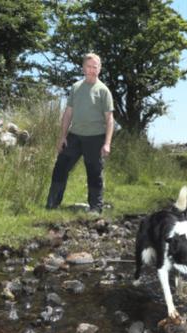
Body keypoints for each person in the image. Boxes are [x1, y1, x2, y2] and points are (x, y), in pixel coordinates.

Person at [46, 53, 114, 214]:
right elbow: (68, 113)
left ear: (99, 68)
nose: (91, 70)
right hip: (74, 136)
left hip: (95, 137)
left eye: (95, 67)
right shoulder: (76, 88)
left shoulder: (103, 91)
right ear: (83, 68)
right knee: (60, 167)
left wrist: (107, 143)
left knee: (94, 172)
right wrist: (62, 136)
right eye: (88, 66)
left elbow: (110, 119)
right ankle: (52, 204)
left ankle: (96, 207)